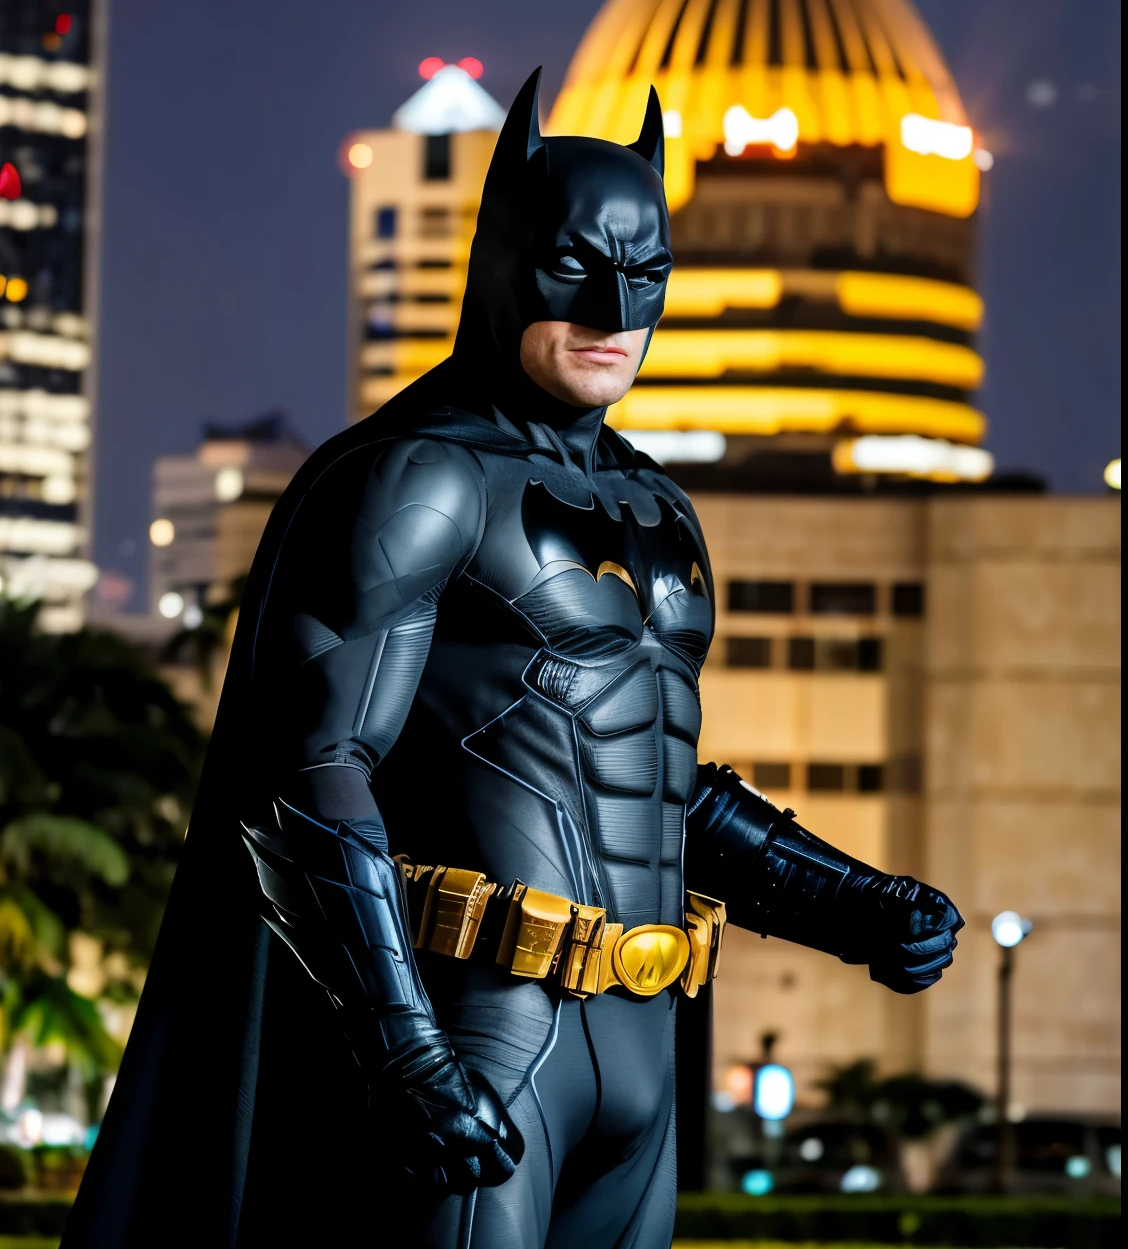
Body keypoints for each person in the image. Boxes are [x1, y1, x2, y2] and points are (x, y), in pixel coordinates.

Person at [64, 72, 961, 1249]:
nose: (612, 304)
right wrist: (404, 1048)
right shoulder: (416, 477)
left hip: (644, 1046)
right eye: (573, 263)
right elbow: (311, 775)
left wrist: (853, 903)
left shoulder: (658, 508)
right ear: (499, 259)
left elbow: (645, 781)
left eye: (645, 275)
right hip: (480, 1033)